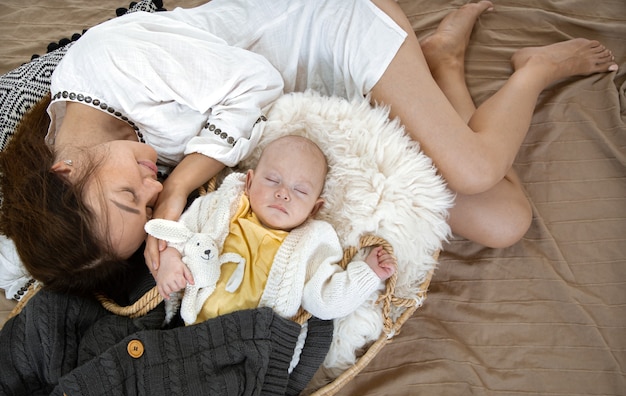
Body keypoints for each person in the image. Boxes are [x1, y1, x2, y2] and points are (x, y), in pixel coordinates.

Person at [0, 0, 618, 299]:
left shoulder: (112, 64)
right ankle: (441, 65)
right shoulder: (83, 164)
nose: (153, 187)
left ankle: (532, 70)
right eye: (148, 205)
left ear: (65, 170)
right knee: (504, 220)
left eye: (132, 195)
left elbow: (255, 84)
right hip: (311, 111)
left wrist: (183, 186)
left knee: (477, 168)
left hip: (327, 34)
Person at [149, 135, 395, 324]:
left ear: (314, 209)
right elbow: (182, 232)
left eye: (300, 191)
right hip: (191, 324)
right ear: (249, 181)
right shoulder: (221, 205)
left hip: (251, 344)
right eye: (273, 180)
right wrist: (170, 259)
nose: (283, 193)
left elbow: (324, 300)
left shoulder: (310, 244)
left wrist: (367, 274)